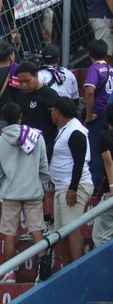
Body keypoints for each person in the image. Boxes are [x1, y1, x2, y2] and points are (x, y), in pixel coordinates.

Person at [0, 102, 51, 283]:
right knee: (37, 230)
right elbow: (43, 166)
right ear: (21, 116)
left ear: (2, 119)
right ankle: (43, 271)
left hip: (10, 194)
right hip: (33, 191)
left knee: (9, 232)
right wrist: (44, 187)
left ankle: (9, 274)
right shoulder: (35, 137)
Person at [49, 97, 94, 266]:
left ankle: (76, 269)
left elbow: (79, 161)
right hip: (62, 185)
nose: (51, 114)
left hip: (74, 185)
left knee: (71, 229)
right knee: (61, 233)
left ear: (58, 112)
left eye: (52, 111)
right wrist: (53, 183)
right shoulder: (64, 129)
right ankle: (66, 270)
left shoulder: (76, 130)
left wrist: (73, 188)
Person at [85, 39, 113, 192]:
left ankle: (95, 191)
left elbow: (89, 92)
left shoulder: (93, 69)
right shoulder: (110, 68)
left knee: (96, 155)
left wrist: (89, 116)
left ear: (90, 54)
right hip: (110, 117)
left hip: (98, 118)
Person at [93, 103, 113, 247]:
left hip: (110, 192)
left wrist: (112, 187)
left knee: (100, 236)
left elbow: (109, 162)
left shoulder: (103, 136)